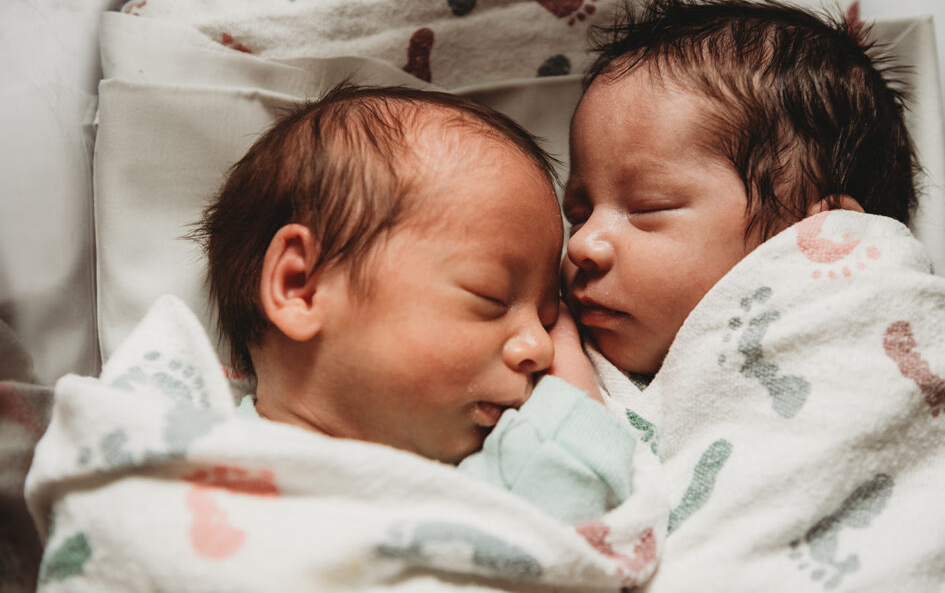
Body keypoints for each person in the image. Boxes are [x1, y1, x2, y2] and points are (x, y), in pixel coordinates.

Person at [192, 81, 633, 522]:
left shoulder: (484, 490)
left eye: (549, 320)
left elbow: (568, 483)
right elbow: (570, 466)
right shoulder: (181, 453)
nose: (542, 349)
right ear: (301, 286)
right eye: (493, 299)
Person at [561, 0, 920, 378]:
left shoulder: (879, 369)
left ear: (828, 236)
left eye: (647, 208)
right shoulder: (553, 352)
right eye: (578, 216)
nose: (580, 244)